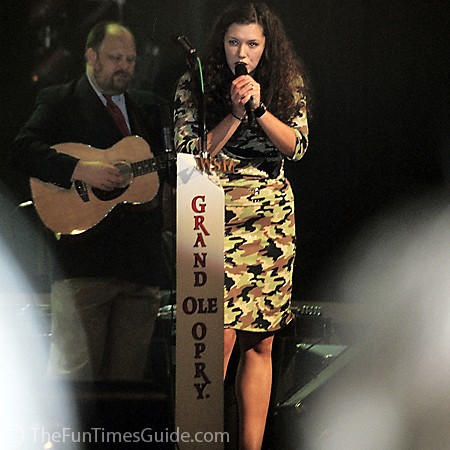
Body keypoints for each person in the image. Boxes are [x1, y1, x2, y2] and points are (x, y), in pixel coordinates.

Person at [173, 2, 310, 449]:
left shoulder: (286, 83)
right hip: (214, 213)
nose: (243, 52)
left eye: (252, 43)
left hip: (269, 216)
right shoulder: (194, 85)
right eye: (234, 42)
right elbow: (191, 153)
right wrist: (232, 112)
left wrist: (259, 108)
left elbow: (297, 146)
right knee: (218, 337)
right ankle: (202, 439)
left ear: (267, 46)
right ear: (222, 44)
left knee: (261, 342)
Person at [10, 21, 172, 381]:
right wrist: (81, 170)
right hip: (85, 265)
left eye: (131, 59)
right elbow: (23, 150)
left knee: (127, 386)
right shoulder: (60, 100)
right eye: (116, 58)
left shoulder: (149, 109)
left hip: (140, 269)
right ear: (91, 56)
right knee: (75, 382)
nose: (125, 67)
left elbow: (171, 165)